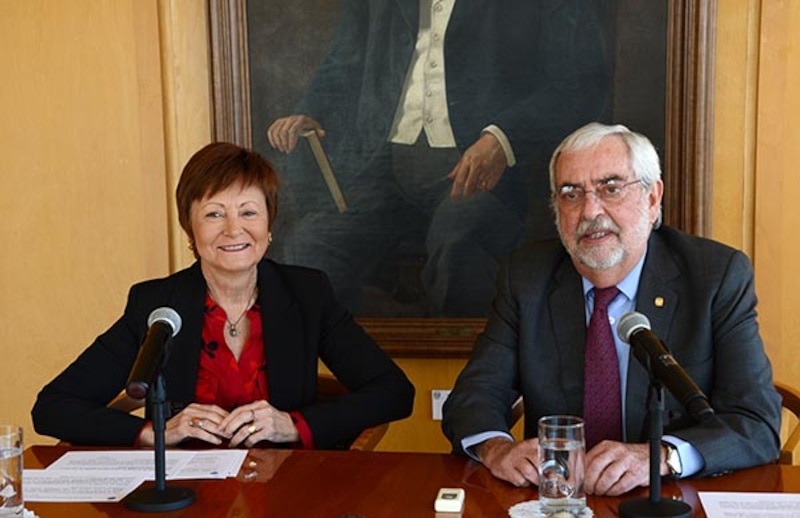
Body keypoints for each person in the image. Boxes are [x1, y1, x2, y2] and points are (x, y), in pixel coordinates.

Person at [441, 122, 781, 495]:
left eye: (611, 188)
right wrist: (497, 449)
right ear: (556, 210)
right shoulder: (526, 276)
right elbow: (474, 397)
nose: (590, 210)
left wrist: (659, 457)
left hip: (670, 501)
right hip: (558, 501)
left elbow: (756, 423)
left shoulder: (715, 277)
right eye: (570, 193)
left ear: (652, 199)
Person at [32, 142, 415, 450]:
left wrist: (293, 425)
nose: (234, 230)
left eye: (249, 212)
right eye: (214, 214)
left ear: (269, 226)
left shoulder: (307, 294)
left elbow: (395, 392)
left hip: (286, 493)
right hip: (184, 498)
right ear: (190, 227)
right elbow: (53, 407)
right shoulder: (157, 305)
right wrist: (155, 431)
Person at [266, 0, 614, 317]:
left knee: (459, 246)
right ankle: (338, 376)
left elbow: (579, 83)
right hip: (383, 168)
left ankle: (457, 381)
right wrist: (311, 112)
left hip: (480, 172)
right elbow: (344, 60)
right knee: (312, 246)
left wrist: (502, 138)